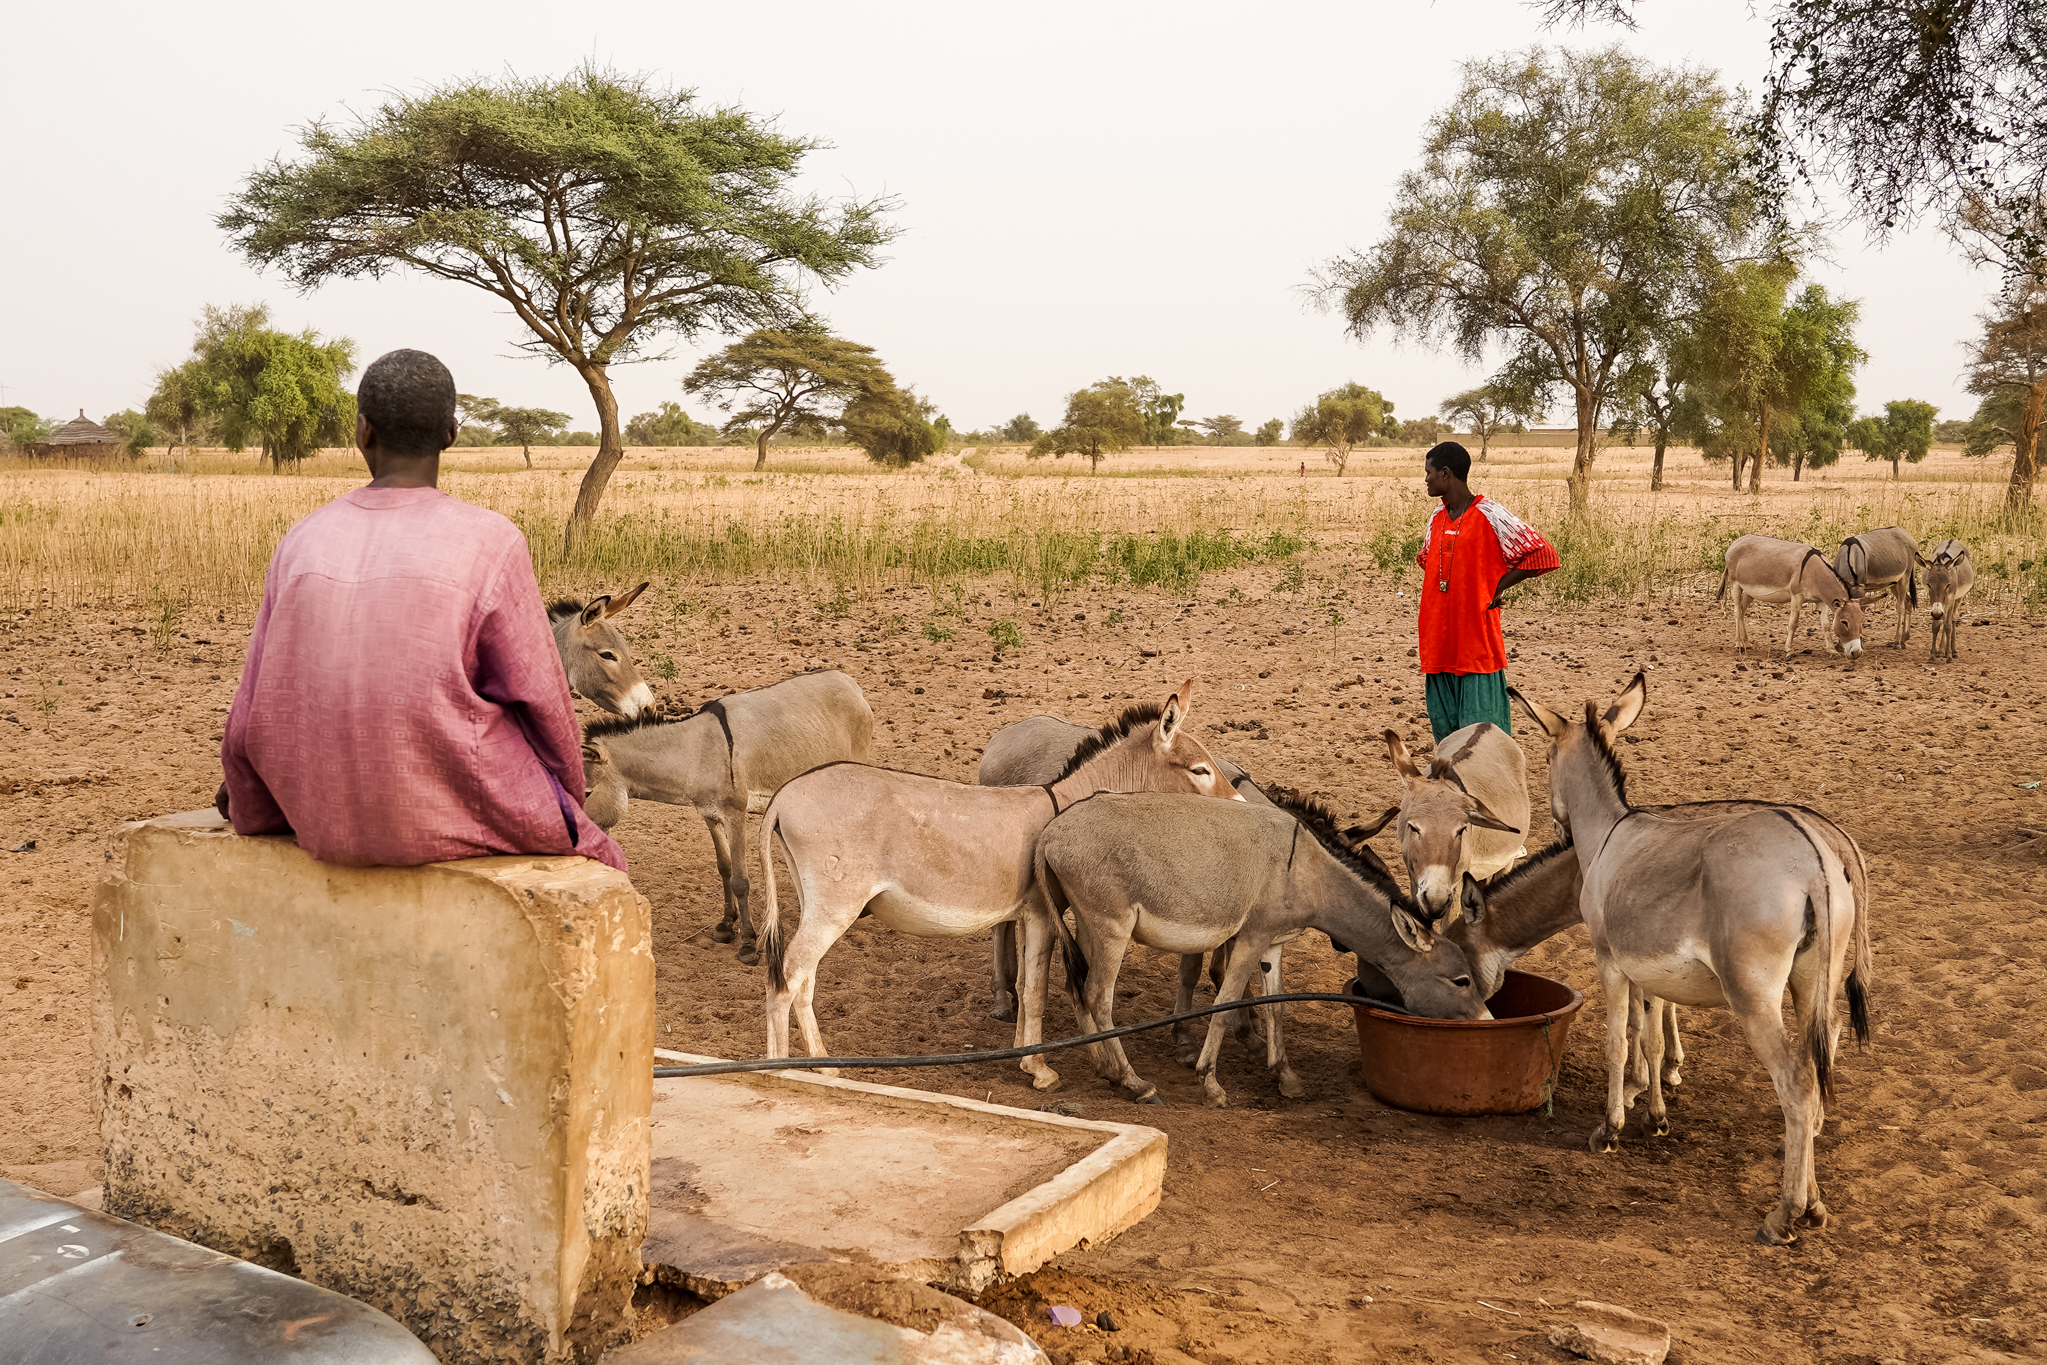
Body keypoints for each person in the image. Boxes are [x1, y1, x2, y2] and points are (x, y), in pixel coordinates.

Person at [217, 349, 626, 872]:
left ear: (362, 432)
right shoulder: (492, 541)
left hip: (319, 811)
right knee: (604, 859)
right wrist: (566, 802)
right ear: (451, 434)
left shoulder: (301, 539)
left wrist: (249, 796)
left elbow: (253, 708)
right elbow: (544, 705)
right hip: (445, 808)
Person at [1413, 440, 1559, 743]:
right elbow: (1429, 561)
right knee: (1447, 737)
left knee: (1483, 737)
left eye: (1428, 473)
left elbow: (1542, 554)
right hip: (1438, 635)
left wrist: (1496, 585)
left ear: (1445, 473)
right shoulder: (1436, 519)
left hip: (1475, 635)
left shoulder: (1492, 514)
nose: (1425, 480)